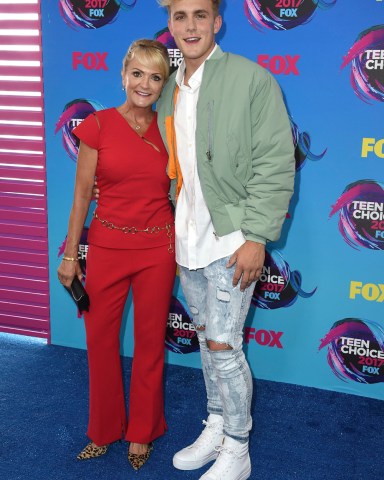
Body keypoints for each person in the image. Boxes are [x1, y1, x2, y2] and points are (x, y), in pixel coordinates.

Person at [155, 1, 295, 479]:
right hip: (187, 240)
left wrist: (256, 236)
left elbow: (275, 162)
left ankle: (238, 448)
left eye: (200, 15)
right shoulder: (170, 87)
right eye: (180, 16)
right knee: (203, 339)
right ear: (170, 25)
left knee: (223, 345)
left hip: (233, 240)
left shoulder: (252, 79)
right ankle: (216, 424)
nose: (189, 26)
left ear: (217, 22)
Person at [57, 39, 176, 471]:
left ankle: (142, 432)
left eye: (155, 76)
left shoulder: (171, 129)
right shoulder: (98, 126)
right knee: (100, 343)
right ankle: (104, 430)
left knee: (149, 345)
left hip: (157, 251)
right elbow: (81, 197)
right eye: (138, 74)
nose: (145, 84)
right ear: (123, 75)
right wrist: (71, 256)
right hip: (106, 247)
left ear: (165, 84)